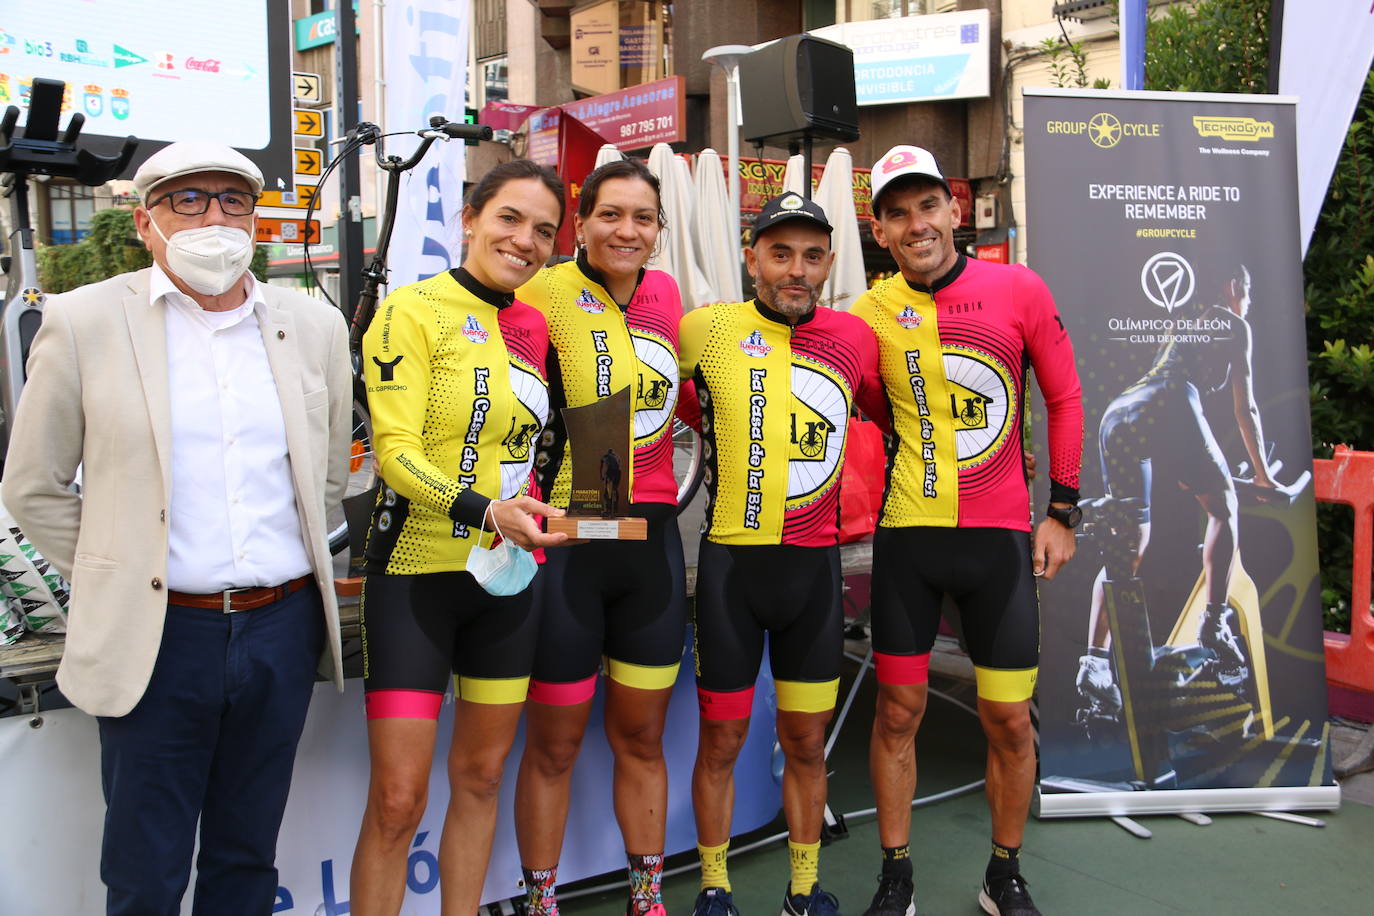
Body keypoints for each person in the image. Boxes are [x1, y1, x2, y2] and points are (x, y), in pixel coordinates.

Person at [1, 142, 352, 914]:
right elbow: (33, 487)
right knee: (146, 869)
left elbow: (325, 476)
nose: (213, 218)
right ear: (145, 219)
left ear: (255, 218)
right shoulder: (84, 319)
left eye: (232, 200)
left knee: (246, 857)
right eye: (188, 200)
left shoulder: (311, 323)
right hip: (157, 635)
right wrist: (114, 569)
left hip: (280, 629)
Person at [850, 146, 1083, 916]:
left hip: (999, 541)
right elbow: (855, 397)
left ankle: (1004, 873)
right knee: (896, 713)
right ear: (879, 229)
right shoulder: (869, 312)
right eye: (897, 212)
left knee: (1011, 720)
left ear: (955, 208)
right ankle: (896, 874)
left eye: (927, 206)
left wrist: (1062, 511)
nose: (916, 224)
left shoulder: (1017, 287)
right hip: (910, 539)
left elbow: (1066, 397)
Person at [348, 159, 569, 915]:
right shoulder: (411, 310)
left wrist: (545, 511)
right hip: (415, 575)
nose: (525, 240)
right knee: (400, 799)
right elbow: (395, 453)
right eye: (510, 218)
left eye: (544, 230)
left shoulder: (535, 325)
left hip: (507, 581)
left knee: (479, 780)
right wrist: (483, 510)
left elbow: (527, 450)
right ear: (469, 218)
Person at [679, 192, 888, 916]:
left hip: (813, 574)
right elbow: (667, 406)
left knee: (805, 740)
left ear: (828, 263)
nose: (796, 270)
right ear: (752, 258)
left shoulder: (856, 339)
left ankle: (805, 887)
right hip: (732, 570)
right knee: (723, 740)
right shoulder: (705, 330)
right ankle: (715, 885)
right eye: (780, 253)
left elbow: (891, 418)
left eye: (811, 255)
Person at [513, 158, 687, 916]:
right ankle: (541, 901)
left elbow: (684, 401)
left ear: (657, 230)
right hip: (571, 541)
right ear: (581, 222)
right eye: (611, 215)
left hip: (649, 540)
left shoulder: (669, 294)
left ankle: (646, 899)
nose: (627, 230)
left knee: (642, 739)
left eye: (642, 218)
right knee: (553, 744)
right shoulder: (543, 290)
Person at [1078, 264, 1277, 719]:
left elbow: (1168, 431)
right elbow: (1244, 405)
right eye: (1246, 293)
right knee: (1224, 509)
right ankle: (1214, 625)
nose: (1247, 303)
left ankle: (1094, 662)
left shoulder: (1182, 322)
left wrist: (1191, 468)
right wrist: (1262, 476)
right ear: (1233, 288)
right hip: (1169, 402)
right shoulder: (1233, 323)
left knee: (1127, 545)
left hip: (1121, 413)